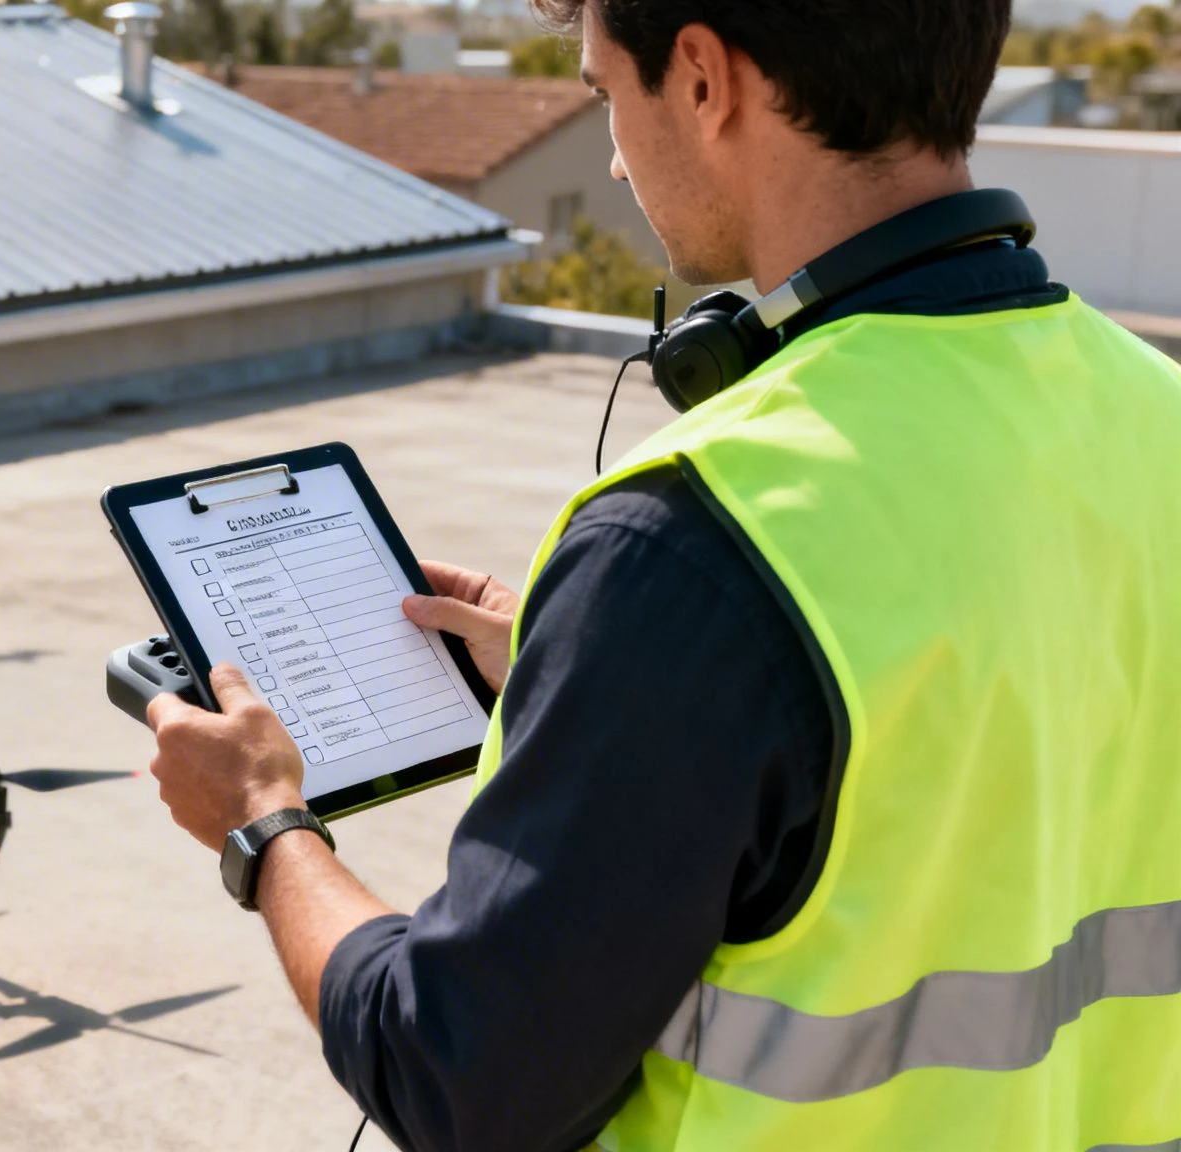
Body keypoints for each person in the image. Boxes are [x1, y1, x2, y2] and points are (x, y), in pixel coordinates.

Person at [143, 1, 1181, 1149]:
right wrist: (612, 675)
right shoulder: (1154, 414)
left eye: (602, 92)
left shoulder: (689, 545)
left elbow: (455, 1076)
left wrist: (260, 824)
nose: (610, 147)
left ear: (697, 76)